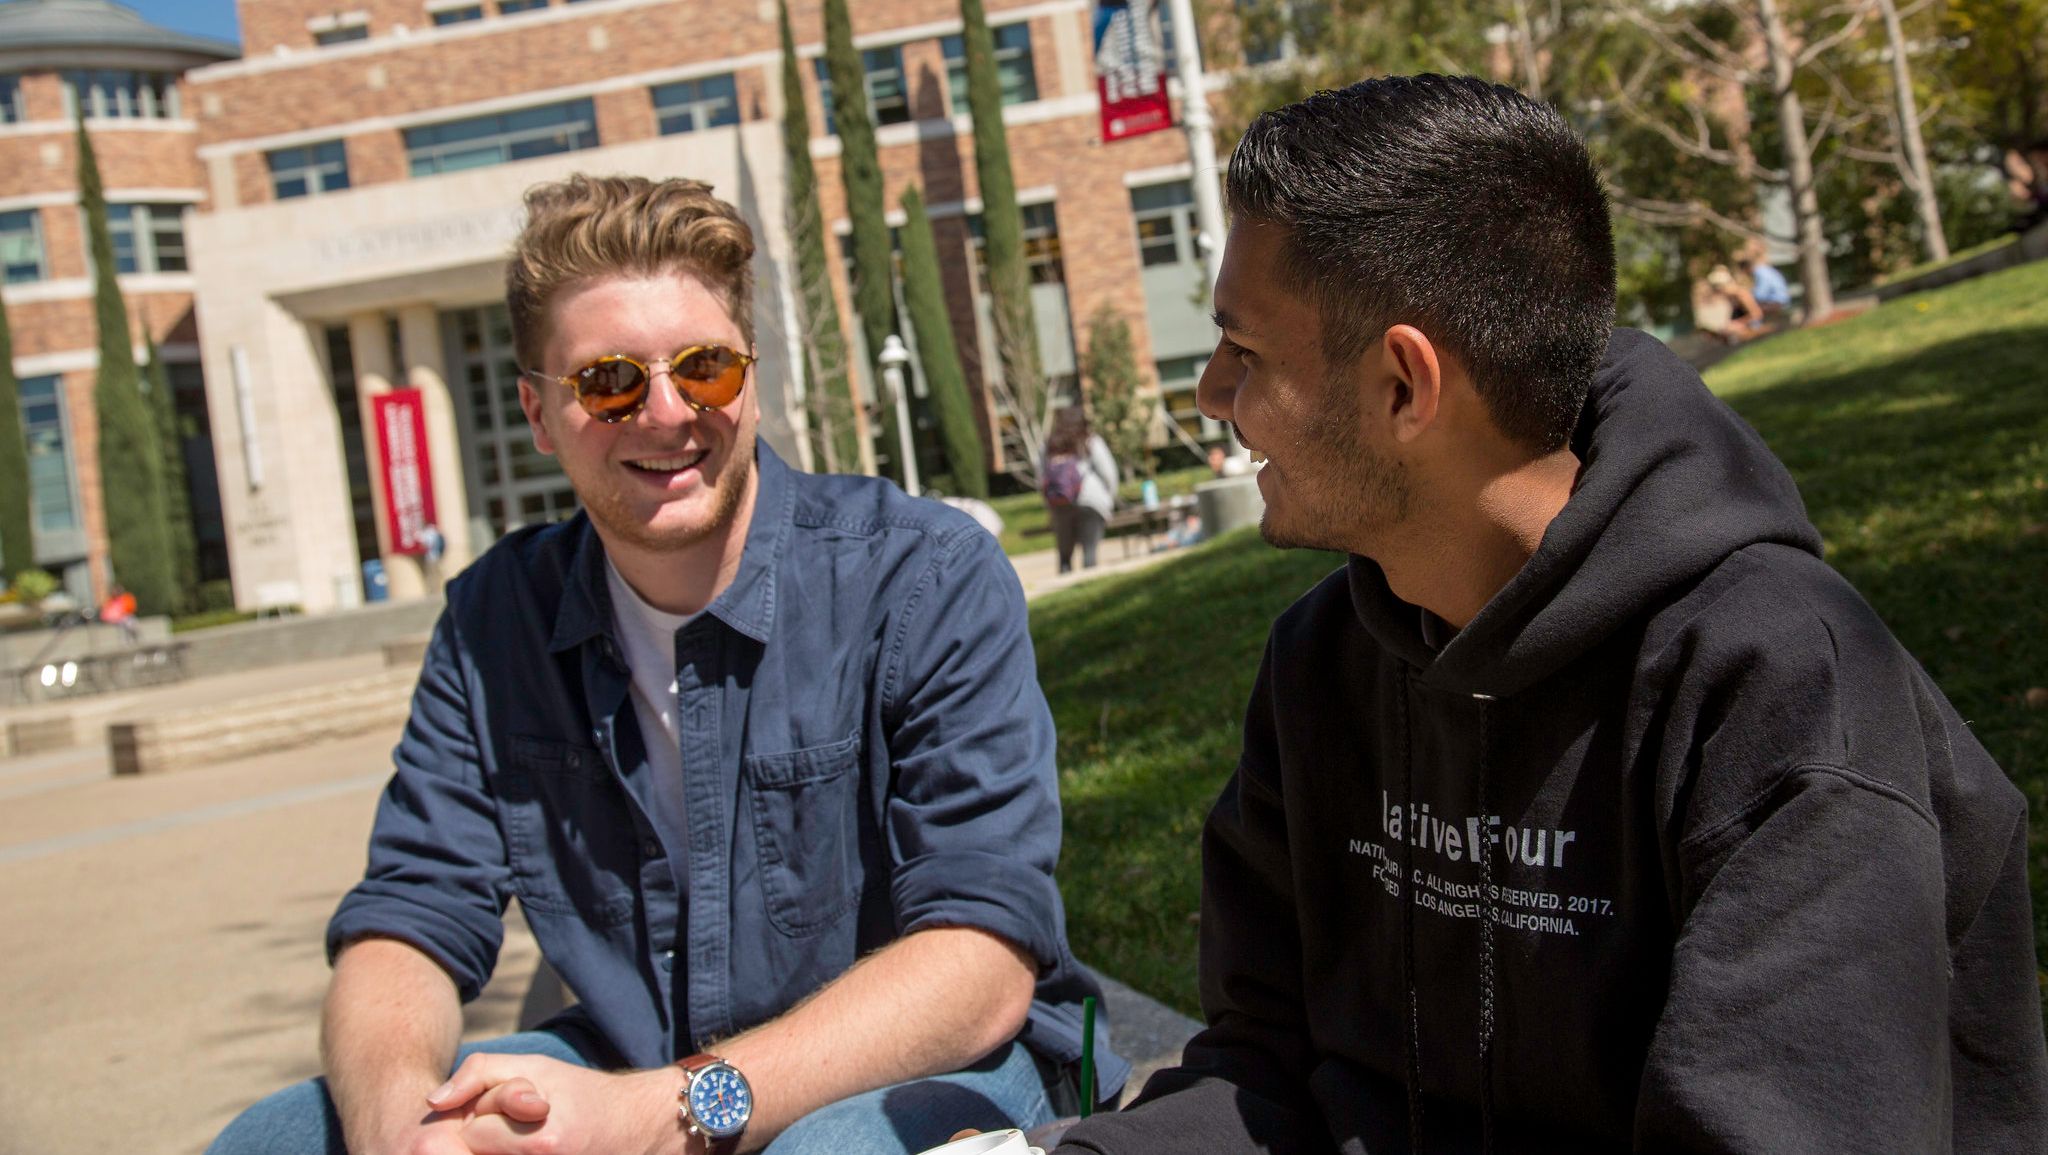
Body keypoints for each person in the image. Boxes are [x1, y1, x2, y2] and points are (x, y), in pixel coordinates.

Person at [1055, 75, 2047, 1153]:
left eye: (1242, 353)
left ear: (1403, 385)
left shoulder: (1780, 691)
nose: (1208, 394)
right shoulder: (1320, 662)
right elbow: (1266, 1066)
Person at [209, 175, 1125, 1155]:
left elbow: (977, 964)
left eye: (704, 368)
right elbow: (408, 921)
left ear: (751, 376)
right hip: (631, 1057)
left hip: (931, 1073)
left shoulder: (922, 574)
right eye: (607, 382)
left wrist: (658, 1115)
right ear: (535, 412)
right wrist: (398, 1130)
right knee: (284, 1136)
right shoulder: (494, 621)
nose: (663, 413)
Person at [1039, 406, 1119, 574]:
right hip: (1091, 501)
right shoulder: (1091, 441)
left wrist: (1049, 506)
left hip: (1059, 502)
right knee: (1089, 553)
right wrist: (1109, 498)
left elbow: (1041, 478)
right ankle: (1092, 591)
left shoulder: (1048, 445)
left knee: (1064, 557)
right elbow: (1109, 473)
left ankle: (1063, 592)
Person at [1741, 241, 1790, 326]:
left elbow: (1760, 294)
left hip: (1777, 301)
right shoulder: (1765, 269)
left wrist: (1748, 294)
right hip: (1779, 299)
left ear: (1746, 268)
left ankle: (1755, 328)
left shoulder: (1760, 272)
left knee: (1751, 308)